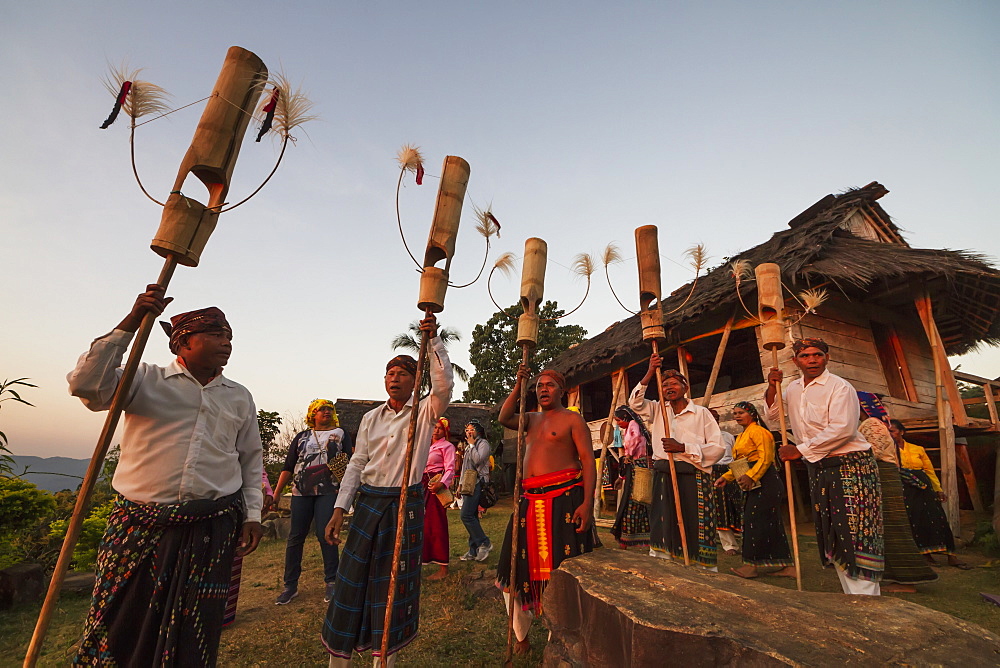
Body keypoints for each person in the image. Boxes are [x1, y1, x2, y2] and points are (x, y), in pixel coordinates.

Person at [68, 285, 263, 666]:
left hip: (211, 528)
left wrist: (252, 515)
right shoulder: (143, 379)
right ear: (183, 343)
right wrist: (130, 324)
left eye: (229, 336)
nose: (226, 343)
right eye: (216, 334)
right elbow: (85, 385)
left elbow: (250, 461)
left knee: (195, 629)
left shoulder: (238, 396)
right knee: (119, 619)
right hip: (138, 524)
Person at [321, 315, 453, 667]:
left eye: (403, 374)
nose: (395, 379)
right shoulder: (370, 419)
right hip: (369, 502)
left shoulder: (425, 412)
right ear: (384, 380)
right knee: (353, 578)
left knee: (393, 584)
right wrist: (339, 509)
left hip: (404, 503)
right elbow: (356, 463)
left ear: (415, 381)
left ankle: (385, 661)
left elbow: (443, 387)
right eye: (390, 373)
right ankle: (339, 660)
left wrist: (434, 341)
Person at [766, 338, 883, 595]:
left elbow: (843, 428)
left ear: (827, 357)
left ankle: (868, 601)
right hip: (820, 466)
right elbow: (774, 414)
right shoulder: (794, 389)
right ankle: (854, 599)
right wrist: (772, 386)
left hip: (851, 465)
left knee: (856, 532)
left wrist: (799, 450)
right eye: (805, 356)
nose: (812, 360)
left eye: (817, 355)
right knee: (834, 531)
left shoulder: (840, 387)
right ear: (796, 361)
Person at [496, 367, 596, 655]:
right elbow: (503, 417)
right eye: (539, 385)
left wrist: (588, 504)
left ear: (561, 391)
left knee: (562, 572)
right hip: (529, 501)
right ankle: (521, 635)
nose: (543, 389)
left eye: (550, 385)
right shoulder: (529, 419)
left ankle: (561, 635)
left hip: (565, 499)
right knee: (515, 568)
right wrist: (518, 384)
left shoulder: (572, 419)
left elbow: (588, 461)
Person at [629, 354, 725, 568]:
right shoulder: (658, 410)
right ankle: (665, 565)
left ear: (685, 387)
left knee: (696, 523)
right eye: (664, 385)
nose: (669, 387)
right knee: (664, 522)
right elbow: (634, 403)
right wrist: (648, 372)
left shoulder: (701, 414)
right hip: (664, 475)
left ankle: (702, 568)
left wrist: (683, 448)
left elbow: (718, 449)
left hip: (694, 476)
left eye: (674, 383)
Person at [271, 399, 352, 605]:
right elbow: (289, 465)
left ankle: (332, 582)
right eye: (321, 409)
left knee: (326, 534)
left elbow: (350, 461)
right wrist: (277, 492)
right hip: (301, 492)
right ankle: (290, 585)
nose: (326, 412)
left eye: (329, 409)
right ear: (312, 414)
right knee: (295, 536)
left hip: (329, 490)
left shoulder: (341, 433)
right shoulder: (302, 437)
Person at [856, 398, 937, 592]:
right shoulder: (879, 424)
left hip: (881, 475)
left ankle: (908, 580)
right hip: (884, 473)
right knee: (886, 527)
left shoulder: (871, 424)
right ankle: (896, 576)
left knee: (893, 525)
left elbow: (872, 452)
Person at [715, 402, 795, 579]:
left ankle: (751, 566)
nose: (737, 416)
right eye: (735, 413)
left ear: (751, 413)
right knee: (767, 524)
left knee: (754, 523)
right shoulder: (742, 435)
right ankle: (787, 566)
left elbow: (765, 459)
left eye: (741, 412)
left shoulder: (760, 432)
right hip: (752, 481)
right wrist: (727, 477)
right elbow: (742, 463)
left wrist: (752, 476)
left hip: (766, 482)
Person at [888, 419, 969, 569]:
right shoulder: (888, 451)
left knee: (938, 517)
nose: (890, 434)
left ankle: (951, 555)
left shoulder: (917, 449)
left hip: (924, 488)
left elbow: (929, 471)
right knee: (916, 519)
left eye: (892, 431)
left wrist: (938, 489)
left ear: (902, 432)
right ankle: (926, 555)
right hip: (905, 488)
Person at [224, 469, 275, 627]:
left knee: (229, 562)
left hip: (231, 503)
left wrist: (266, 489)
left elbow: (253, 461)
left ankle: (223, 615)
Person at [609, 406, 651, 549]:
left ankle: (628, 540)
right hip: (633, 468)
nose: (618, 424)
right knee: (633, 503)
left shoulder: (633, 426)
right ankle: (629, 539)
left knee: (633, 502)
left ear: (626, 418)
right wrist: (621, 476)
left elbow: (635, 440)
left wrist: (628, 455)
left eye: (619, 420)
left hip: (637, 468)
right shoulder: (628, 428)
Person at [423, 417, 456, 579]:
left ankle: (443, 567)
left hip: (435, 484)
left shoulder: (447, 446)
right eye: (434, 427)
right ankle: (423, 559)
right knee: (421, 523)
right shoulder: (424, 445)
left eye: (439, 428)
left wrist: (441, 484)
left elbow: (450, 468)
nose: (436, 430)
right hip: (420, 485)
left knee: (437, 523)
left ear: (445, 431)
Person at [459, 419, 493, 561]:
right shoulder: (468, 446)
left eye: (471, 429)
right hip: (468, 483)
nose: (468, 432)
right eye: (467, 429)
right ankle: (473, 550)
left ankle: (484, 542)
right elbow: (465, 467)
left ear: (478, 431)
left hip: (478, 482)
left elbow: (478, 460)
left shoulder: (482, 444)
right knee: (471, 515)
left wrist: (472, 445)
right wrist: (460, 484)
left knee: (465, 515)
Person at [710, 408, 742, 556]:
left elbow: (736, 457)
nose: (714, 420)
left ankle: (746, 540)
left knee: (737, 506)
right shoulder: (702, 438)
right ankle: (729, 546)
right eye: (711, 417)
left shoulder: (728, 436)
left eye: (716, 417)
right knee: (720, 510)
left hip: (730, 472)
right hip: (712, 473)